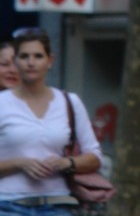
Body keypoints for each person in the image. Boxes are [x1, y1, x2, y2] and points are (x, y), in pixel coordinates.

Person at [0, 27, 102, 214]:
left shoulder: (69, 102)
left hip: (58, 203)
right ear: (16, 61)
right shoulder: (2, 103)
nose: (31, 63)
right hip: (8, 204)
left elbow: (95, 157)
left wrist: (66, 163)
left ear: (50, 61)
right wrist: (19, 163)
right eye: (24, 56)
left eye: (38, 56)